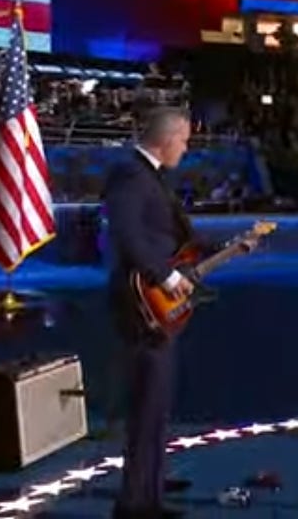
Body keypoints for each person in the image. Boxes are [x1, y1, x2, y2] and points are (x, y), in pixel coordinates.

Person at [103, 107, 212, 518]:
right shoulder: (131, 175)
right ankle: (134, 504)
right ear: (168, 139)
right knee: (147, 404)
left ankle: (150, 487)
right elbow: (128, 235)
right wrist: (165, 278)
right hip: (142, 308)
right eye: (184, 142)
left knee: (157, 402)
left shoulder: (148, 176)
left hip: (156, 306)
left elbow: (163, 237)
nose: (185, 149)